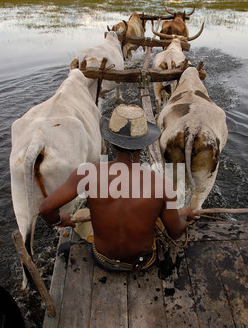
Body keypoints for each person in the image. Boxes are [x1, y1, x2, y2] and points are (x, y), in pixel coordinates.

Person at [39, 104, 195, 273]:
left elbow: (46, 209)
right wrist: (184, 216)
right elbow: (175, 233)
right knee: (160, 220)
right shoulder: (163, 185)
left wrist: (60, 220)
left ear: (111, 141)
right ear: (143, 144)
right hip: (144, 263)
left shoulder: (87, 172)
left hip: (102, 260)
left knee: (78, 215)